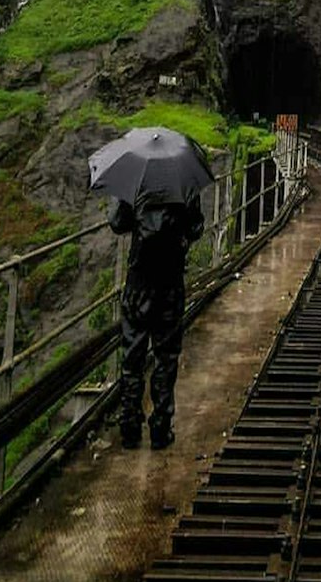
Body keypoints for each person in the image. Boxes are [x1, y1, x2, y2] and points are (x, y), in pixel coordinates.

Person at [109, 190, 205, 449]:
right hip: (170, 282)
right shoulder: (183, 183)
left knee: (132, 357)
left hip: (139, 282)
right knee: (166, 357)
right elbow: (196, 228)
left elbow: (117, 223)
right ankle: (161, 427)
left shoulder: (134, 182)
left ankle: (129, 425)